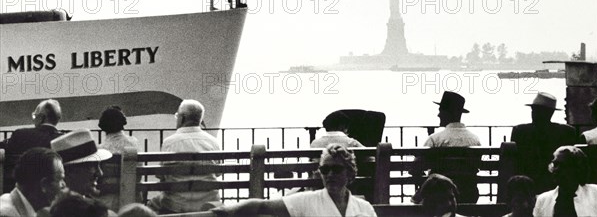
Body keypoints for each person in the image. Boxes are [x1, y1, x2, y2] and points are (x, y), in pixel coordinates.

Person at [212, 144, 377, 217]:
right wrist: (229, 210)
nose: (330, 174)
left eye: (337, 169)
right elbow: (262, 205)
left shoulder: (363, 208)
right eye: (325, 170)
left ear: (349, 173)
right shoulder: (306, 201)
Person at [148, 99, 221, 214]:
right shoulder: (213, 142)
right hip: (209, 203)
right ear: (200, 119)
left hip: (176, 205)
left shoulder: (169, 143)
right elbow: (218, 173)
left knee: (152, 204)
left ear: (182, 118)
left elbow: (161, 175)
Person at [412, 91, 481, 203]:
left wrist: (426, 186)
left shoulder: (435, 140)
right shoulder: (475, 140)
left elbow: (415, 168)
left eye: (441, 111)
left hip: (439, 197)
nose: (438, 115)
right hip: (469, 195)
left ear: (448, 113)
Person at [510, 92, 577, 193]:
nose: (533, 113)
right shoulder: (567, 132)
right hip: (557, 182)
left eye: (535, 110)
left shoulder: (520, 131)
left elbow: (515, 161)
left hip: (526, 184)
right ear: (551, 113)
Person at [2, 99, 64, 192]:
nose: (34, 119)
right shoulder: (63, 140)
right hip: (50, 192)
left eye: (35, 116)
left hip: (19, 189)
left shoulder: (20, 134)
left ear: (42, 118)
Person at [533, 146, 597, 216]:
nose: (555, 170)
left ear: (577, 169)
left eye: (563, 165)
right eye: (554, 164)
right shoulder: (543, 200)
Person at [0, 148, 66, 217]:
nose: (64, 185)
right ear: (44, 184)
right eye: (60, 179)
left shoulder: (13, 203)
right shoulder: (7, 214)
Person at [50, 129, 113, 199]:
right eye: (92, 166)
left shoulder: (86, 203)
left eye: (98, 165)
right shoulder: (63, 208)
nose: (100, 173)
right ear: (69, 171)